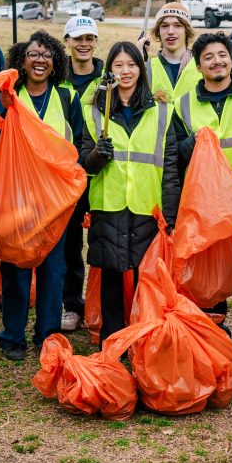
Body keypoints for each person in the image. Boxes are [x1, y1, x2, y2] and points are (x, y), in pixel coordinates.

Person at [174, 32, 232, 359]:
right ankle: (215, 323)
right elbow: (175, 152)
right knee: (212, 264)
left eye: (222, 55)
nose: (217, 61)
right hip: (207, 200)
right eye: (208, 58)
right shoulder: (183, 104)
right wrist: (196, 142)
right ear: (199, 67)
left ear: (231, 59)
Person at [80, 42, 180, 343]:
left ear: (141, 69)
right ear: (109, 70)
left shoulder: (161, 112)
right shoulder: (95, 112)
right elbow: (85, 164)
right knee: (111, 273)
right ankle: (113, 337)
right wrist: (97, 154)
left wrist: (171, 214)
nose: (125, 71)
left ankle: (141, 336)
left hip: (146, 207)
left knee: (143, 276)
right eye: (118, 65)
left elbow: (171, 166)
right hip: (108, 204)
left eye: (131, 65)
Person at [0, 30, 86, 361]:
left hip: (55, 201)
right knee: (16, 265)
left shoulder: (66, 97)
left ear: (56, 62)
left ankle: (48, 334)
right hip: (16, 197)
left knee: (53, 268)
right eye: (33, 54)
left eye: (47, 55)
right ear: (21, 59)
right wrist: (5, 110)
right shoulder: (9, 96)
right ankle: (12, 334)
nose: (40, 60)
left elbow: (78, 143)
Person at [59, 16, 105, 332]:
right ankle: (71, 303)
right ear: (68, 42)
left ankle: (101, 305)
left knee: (101, 242)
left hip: (100, 171)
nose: (84, 44)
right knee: (70, 243)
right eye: (78, 38)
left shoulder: (107, 79)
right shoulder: (56, 78)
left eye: (89, 38)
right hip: (65, 173)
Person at [140, 3, 202, 100]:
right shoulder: (147, 68)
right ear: (158, 31)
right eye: (164, 26)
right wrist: (137, 61)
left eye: (177, 25)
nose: (170, 31)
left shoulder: (202, 67)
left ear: (187, 30)